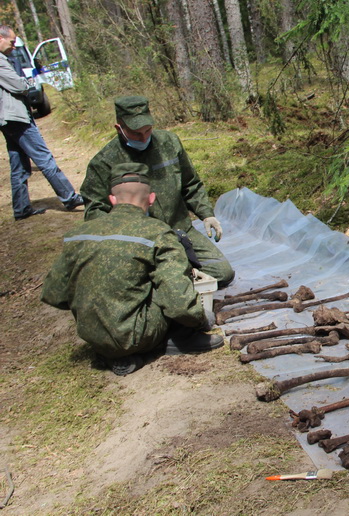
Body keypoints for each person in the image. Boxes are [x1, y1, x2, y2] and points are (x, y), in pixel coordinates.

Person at [41, 163, 223, 376]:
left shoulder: (79, 232)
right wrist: (202, 318)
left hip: (91, 334)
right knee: (171, 285)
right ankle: (174, 340)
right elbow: (178, 303)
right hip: (136, 334)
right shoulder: (158, 233)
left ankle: (117, 353)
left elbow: (54, 294)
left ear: (112, 200)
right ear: (152, 199)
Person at [79, 95, 234, 287]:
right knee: (135, 284)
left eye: (148, 130)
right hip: (138, 241)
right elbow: (95, 211)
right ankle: (171, 281)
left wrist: (206, 214)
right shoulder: (104, 162)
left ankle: (176, 277)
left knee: (222, 272)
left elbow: (190, 183)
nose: (144, 138)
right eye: (136, 133)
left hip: (179, 230)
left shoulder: (169, 143)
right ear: (119, 128)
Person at [0, 25, 83, 221]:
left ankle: (21, 209)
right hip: (16, 118)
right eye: (12, 42)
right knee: (44, 158)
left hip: (8, 119)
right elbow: (19, 85)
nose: (13, 46)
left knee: (19, 165)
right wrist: (28, 83)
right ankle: (69, 197)